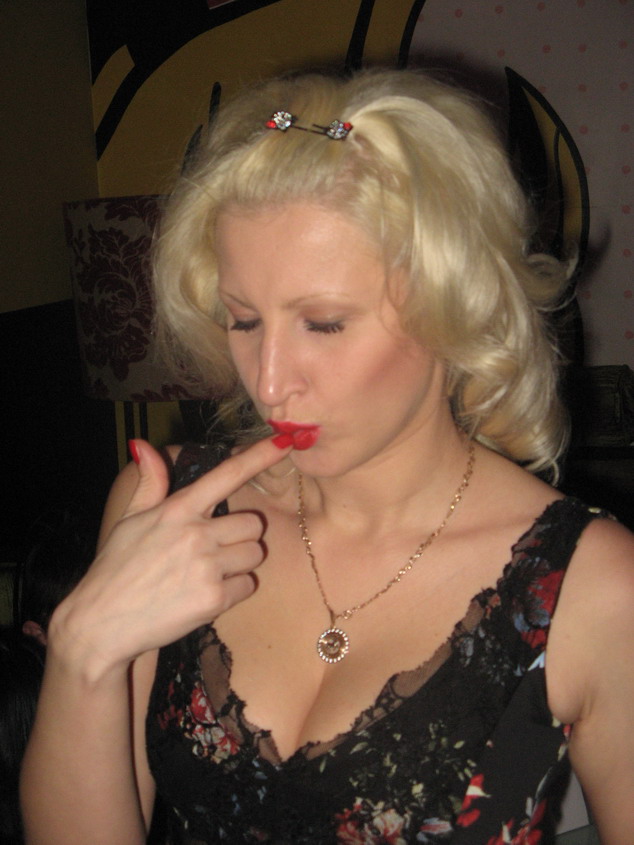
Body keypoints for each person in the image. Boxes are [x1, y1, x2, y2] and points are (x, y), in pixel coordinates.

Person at [21, 69, 634, 844]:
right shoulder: (166, 506)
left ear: (457, 306)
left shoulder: (593, 588)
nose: (268, 381)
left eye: (325, 323)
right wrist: (83, 654)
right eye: (244, 320)